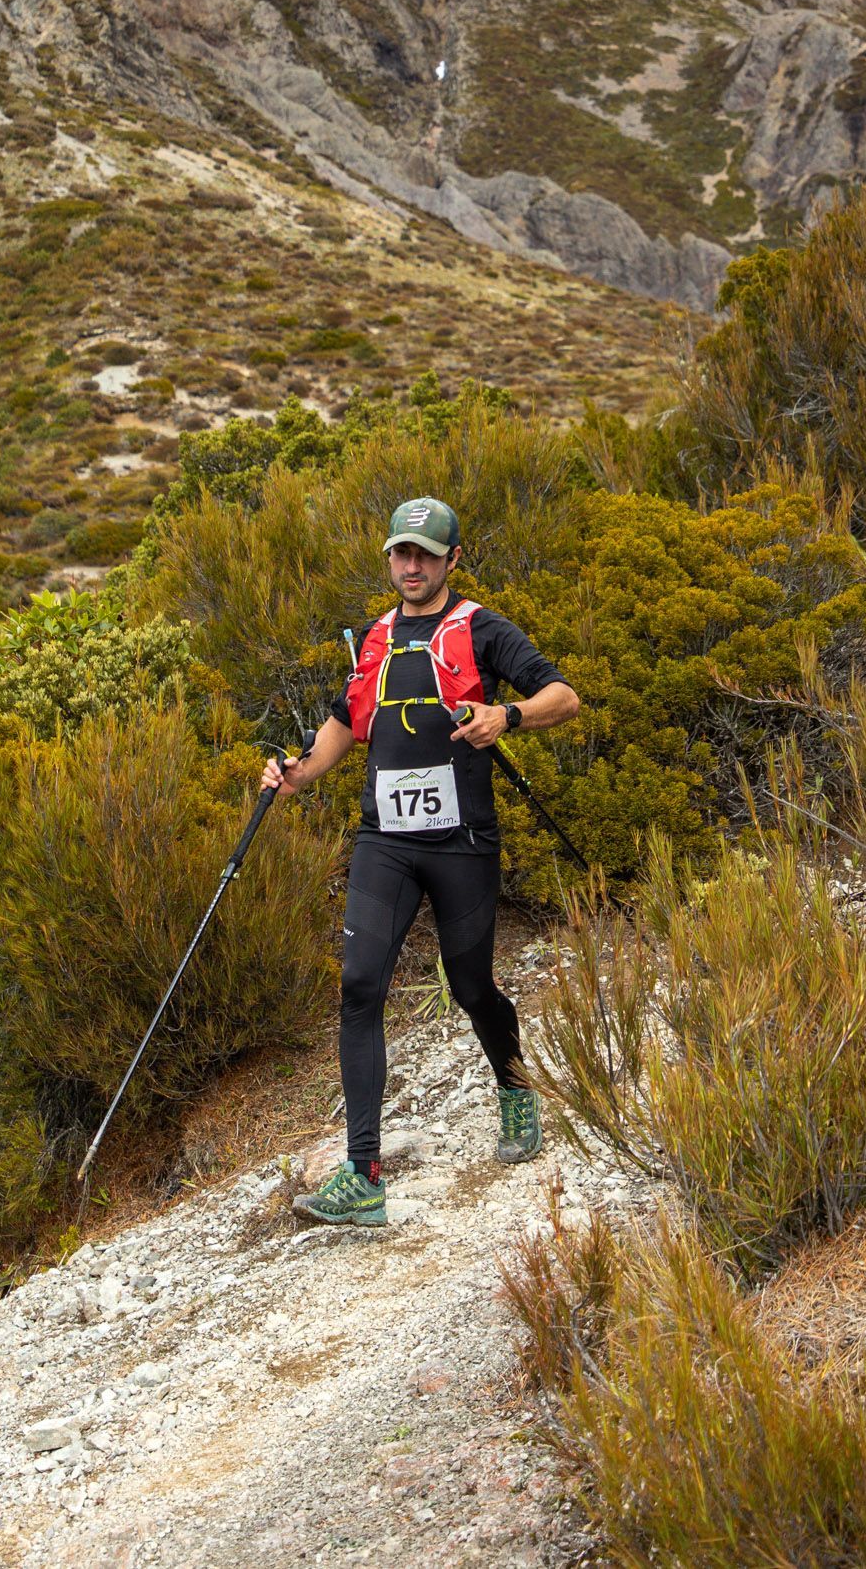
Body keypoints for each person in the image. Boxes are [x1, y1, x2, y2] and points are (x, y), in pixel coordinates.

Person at [259, 496, 580, 1227]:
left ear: (452, 560)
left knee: (472, 986)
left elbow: (563, 695)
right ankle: (363, 1173)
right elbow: (346, 721)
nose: (412, 566)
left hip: (462, 841)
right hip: (386, 842)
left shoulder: (481, 629)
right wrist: (297, 772)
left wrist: (509, 716)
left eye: (426, 554)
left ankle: (514, 1086)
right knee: (359, 984)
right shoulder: (373, 637)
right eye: (402, 553)